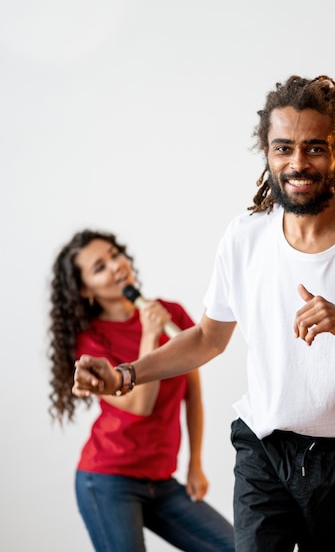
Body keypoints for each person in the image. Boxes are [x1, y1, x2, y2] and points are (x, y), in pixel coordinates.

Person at [72, 75, 335, 552]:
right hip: (262, 443)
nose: (298, 163)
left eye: (314, 148)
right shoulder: (245, 236)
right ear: (267, 153)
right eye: (284, 149)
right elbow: (207, 339)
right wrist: (124, 374)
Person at [49, 229, 235, 552]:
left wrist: (195, 463)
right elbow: (139, 406)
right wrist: (149, 335)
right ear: (83, 291)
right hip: (107, 480)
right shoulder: (89, 342)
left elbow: (192, 391)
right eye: (100, 267)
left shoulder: (171, 313)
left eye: (115, 254)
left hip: (160, 480)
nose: (116, 265)